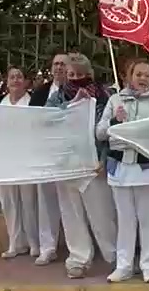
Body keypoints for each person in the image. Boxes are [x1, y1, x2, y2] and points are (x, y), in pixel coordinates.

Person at [97, 59, 149, 284]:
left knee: (148, 219)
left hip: (145, 167)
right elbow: (100, 133)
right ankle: (124, 265)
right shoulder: (114, 100)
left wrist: (123, 130)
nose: (143, 79)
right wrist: (113, 120)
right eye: (138, 74)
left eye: (147, 75)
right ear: (129, 76)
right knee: (125, 220)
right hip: (119, 169)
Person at [48, 53, 118, 279]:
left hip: (94, 164)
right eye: (71, 74)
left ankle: (114, 255)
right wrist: (72, 104)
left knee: (102, 213)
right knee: (71, 214)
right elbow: (47, 121)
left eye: (80, 75)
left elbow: (110, 131)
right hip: (66, 164)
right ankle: (78, 258)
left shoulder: (105, 97)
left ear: (89, 75)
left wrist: (104, 158)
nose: (75, 78)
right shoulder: (57, 98)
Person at [28, 52, 67, 266]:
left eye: (63, 64)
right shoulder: (41, 92)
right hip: (46, 154)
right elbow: (32, 120)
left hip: (68, 155)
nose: (59, 67)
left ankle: (76, 247)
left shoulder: (76, 92)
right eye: (56, 64)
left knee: (70, 204)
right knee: (46, 202)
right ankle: (48, 247)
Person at [0, 66, 40, 260]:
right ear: (7, 82)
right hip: (5, 159)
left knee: (28, 202)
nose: (15, 80)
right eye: (12, 77)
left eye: (19, 77)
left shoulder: (32, 103)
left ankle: (33, 242)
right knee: (9, 202)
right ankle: (15, 242)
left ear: (25, 82)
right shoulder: (0, 103)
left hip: (27, 159)